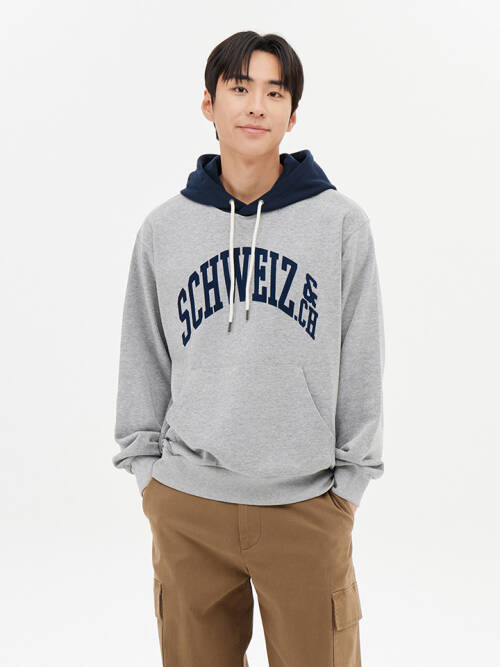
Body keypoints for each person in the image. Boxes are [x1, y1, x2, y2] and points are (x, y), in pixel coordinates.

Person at [112, 30, 385, 667]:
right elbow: (143, 354)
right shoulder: (164, 229)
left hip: (306, 506)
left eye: (274, 92)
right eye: (240, 88)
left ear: (293, 114)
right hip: (188, 507)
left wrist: (347, 488)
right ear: (209, 104)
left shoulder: (341, 225)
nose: (256, 105)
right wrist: (149, 476)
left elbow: (363, 359)